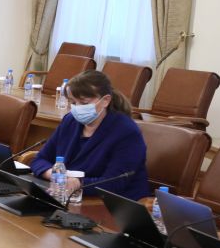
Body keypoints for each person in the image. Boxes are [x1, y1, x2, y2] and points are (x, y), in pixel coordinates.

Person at [30, 70, 149, 201]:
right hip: (69, 195)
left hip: (113, 203)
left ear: (106, 100)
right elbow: (39, 160)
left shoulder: (126, 132)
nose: (77, 108)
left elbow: (114, 183)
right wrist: (57, 176)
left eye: (84, 103)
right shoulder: (70, 121)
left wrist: (78, 183)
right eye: (73, 102)